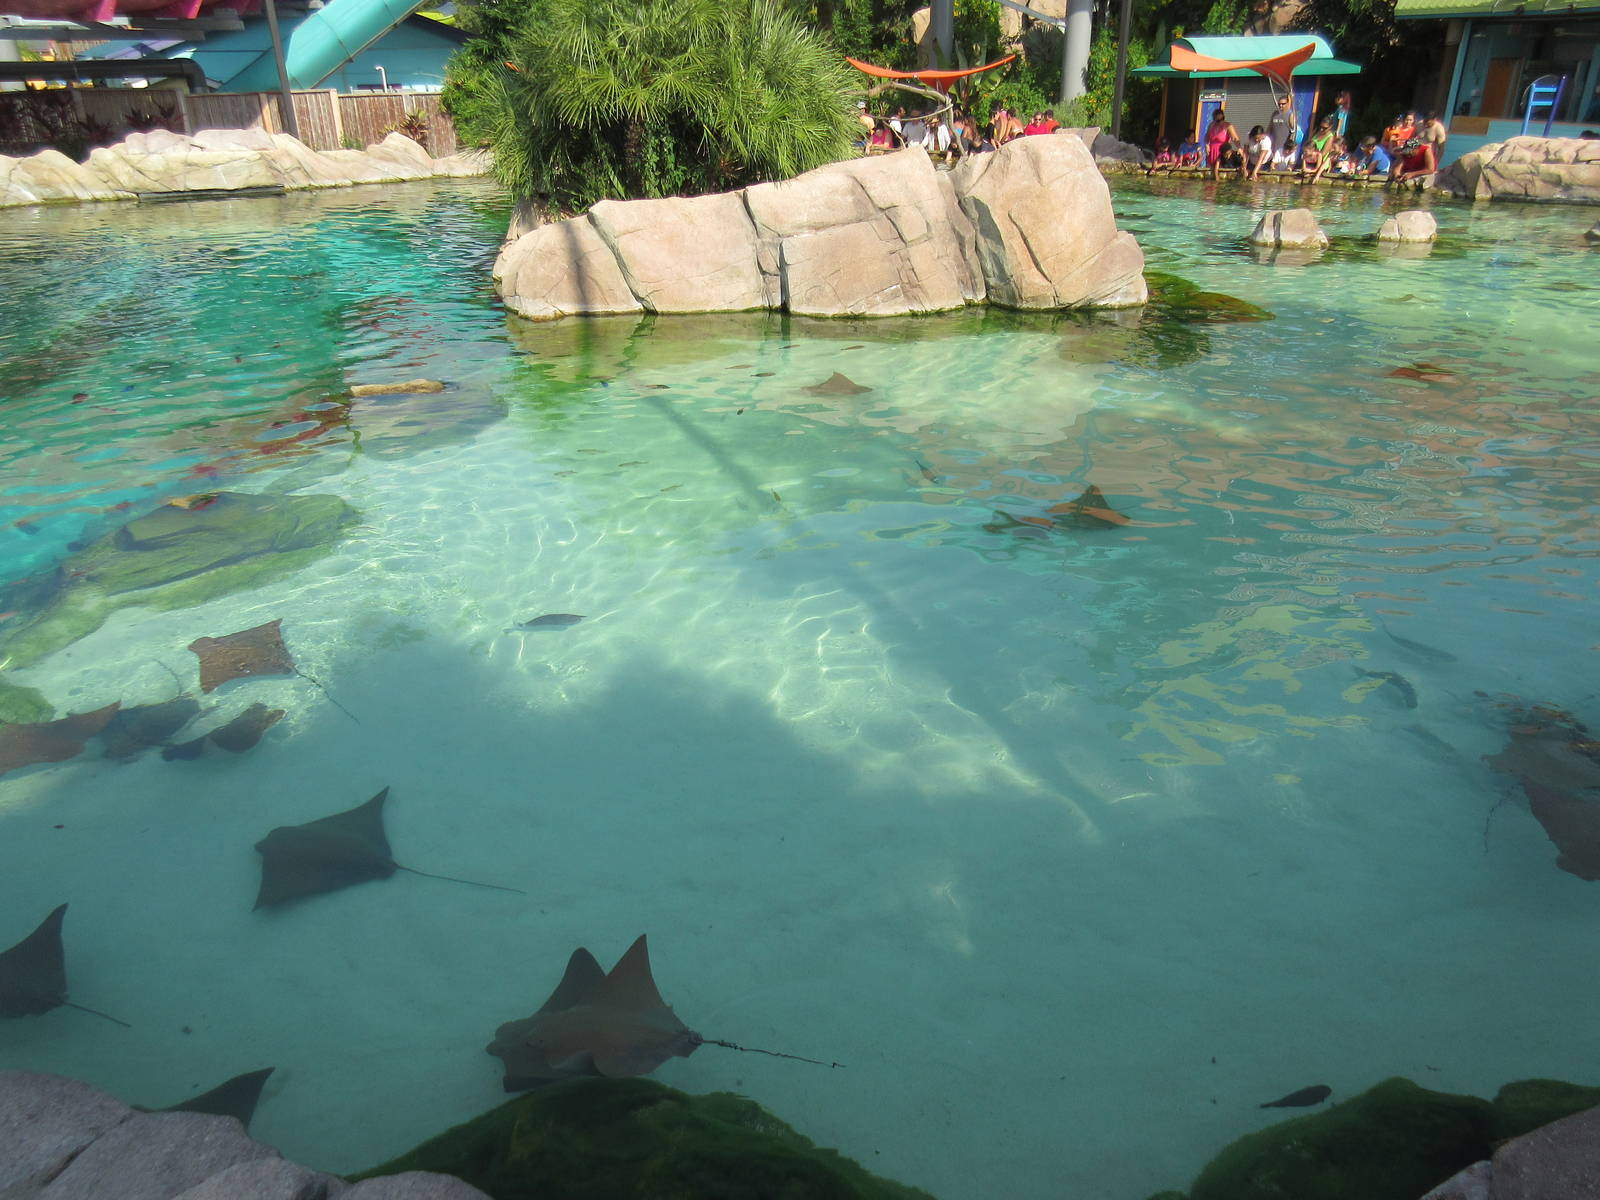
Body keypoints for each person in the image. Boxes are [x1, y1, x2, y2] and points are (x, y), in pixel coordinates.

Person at [1204, 108, 1240, 180]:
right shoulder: (1211, 125)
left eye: (1222, 119)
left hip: (1222, 152)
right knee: (1210, 175)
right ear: (1214, 119)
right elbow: (1206, 137)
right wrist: (1207, 145)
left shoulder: (1228, 126)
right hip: (1212, 152)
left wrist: (1239, 148)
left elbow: (1235, 138)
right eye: (1218, 120)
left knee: (1221, 173)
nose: (1220, 121)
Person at [1266, 94, 1297, 165]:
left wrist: (1290, 146)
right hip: (1273, 146)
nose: (1281, 106)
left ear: (1288, 103)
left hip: (1283, 147)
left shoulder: (1290, 114)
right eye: (1279, 104)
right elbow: (1269, 127)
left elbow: (1294, 131)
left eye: (1283, 104)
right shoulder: (1275, 114)